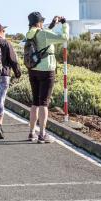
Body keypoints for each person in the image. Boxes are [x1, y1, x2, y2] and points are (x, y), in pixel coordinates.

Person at [26, 12, 69, 143]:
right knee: (44, 103)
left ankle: (32, 132)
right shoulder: (43, 33)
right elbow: (64, 37)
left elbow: (43, 33)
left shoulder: (30, 34)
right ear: (39, 22)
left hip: (33, 69)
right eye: (42, 22)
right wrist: (64, 24)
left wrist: (52, 24)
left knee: (35, 103)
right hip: (46, 70)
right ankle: (42, 134)